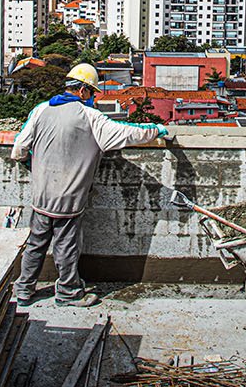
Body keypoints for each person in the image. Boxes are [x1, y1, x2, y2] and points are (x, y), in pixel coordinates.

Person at [10, 62, 169, 307]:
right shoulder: (90, 116)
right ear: (83, 91)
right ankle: (68, 293)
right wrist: (156, 130)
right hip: (69, 200)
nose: (93, 97)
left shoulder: (41, 110)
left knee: (35, 244)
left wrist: (34, 166)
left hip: (41, 196)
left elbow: (19, 149)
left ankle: (23, 290)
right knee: (66, 247)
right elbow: (127, 133)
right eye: (92, 92)